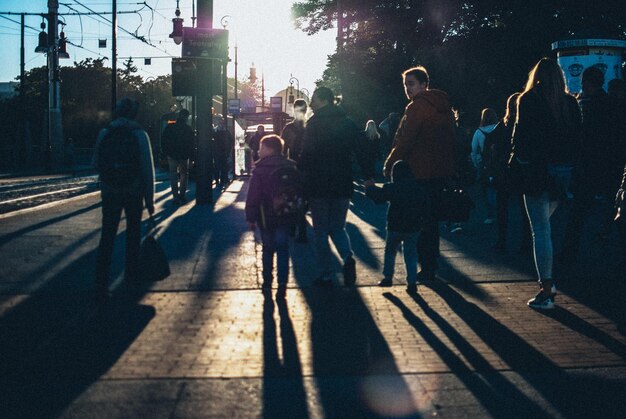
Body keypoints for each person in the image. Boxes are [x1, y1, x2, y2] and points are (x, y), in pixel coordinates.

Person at [509, 57, 581, 310]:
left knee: (540, 230)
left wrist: (520, 160)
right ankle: (548, 284)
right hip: (565, 171)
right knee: (546, 225)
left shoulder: (527, 100)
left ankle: (546, 287)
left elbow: (521, 139)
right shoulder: (570, 103)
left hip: (537, 172)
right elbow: (578, 139)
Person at [383, 66, 456, 282]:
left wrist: (389, 163)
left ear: (424, 85)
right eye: (405, 85)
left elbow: (406, 140)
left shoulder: (417, 107)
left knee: (418, 223)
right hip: (439, 171)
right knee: (431, 221)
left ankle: (425, 268)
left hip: (418, 172)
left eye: (411, 84)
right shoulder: (443, 107)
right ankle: (431, 265)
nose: (407, 89)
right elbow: (452, 139)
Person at [299, 86, 375, 286]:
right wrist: (367, 176)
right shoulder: (347, 122)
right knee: (338, 227)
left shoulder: (313, 124)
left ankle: (325, 273)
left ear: (323, 100)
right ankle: (347, 257)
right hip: (342, 182)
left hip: (318, 184)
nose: (311, 103)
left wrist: (300, 180)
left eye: (314, 99)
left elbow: (306, 155)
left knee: (321, 230)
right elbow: (363, 149)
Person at [93, 97, 155, 301]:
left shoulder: (105, 132)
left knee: (107, 236)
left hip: (110, 191)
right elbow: (147, 169)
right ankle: (131, 278)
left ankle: (101, 283)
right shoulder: (139, 134)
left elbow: (96, 163)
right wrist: (150, 200)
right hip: (133, 190)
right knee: (133, 235)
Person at [560, 67, 622, 263]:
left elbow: (580, 135)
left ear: (587, 82)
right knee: (615, 207)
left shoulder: (585, 106)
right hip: (612, 164)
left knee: (578, 212)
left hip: (588, 164)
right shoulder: (614, 104)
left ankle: (569, 252)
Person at [245, 135, 297, 298]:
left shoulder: (260, 170)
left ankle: (267, 282)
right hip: (285, 214)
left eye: (261, 148)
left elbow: (253, 195)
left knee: (267, 249)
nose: (258, 151)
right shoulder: (291, 167)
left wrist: (251, 217)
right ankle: (282, 283)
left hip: (265, 215)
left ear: (269, 149)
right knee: (283, 248)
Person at [365, 160, 429, 294]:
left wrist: (370, 188)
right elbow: (425, 207)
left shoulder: (391, 187)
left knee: (390, 252)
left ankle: (388, 277)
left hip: (395, 226)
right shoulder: (418, 189)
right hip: (413, 226)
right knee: (411, 254)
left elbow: (379, 198)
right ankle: (412, 281)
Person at [492, 93, 532, 253]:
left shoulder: (503, 124)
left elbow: (492, 143)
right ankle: (526, 242)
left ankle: (502, 240)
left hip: (504, 170)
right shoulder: (525, 123)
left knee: (502, 208)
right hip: (521, 169)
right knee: (525, 209)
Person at [281, 98, 309, 242]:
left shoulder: (288, 128)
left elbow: (283, 149)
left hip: (293, 165)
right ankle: (301, 226)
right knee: (306, 198)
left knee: (294, 196)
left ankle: (294, 224)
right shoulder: (310, 127)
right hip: (309, 166)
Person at [471, 108, 499, 224]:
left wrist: (477, 164)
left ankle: (491, 214)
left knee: (487, 190)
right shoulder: (499, 129)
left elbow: (474, 150)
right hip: (498, 163)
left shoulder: (479, 132)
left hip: (485, 164)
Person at [161, 109, 194, 204]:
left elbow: (164, 140)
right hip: (184, 155)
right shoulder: (188, 129)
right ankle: (182, 194)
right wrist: (191, 157)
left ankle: (175, 196)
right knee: (184, 174)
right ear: (186, 117)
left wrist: (166, 152)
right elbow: (191, 144)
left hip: (172, 155)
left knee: (173, 174)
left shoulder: (170, 127)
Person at [213, 120, 234, 189]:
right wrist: (229, 150)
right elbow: (231, 141)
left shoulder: (216, 131)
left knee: (218, 167)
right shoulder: (226, 132)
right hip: (224, 152)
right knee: (223, 167)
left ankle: (217, 180)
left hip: (218, 152)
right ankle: (221, 180)